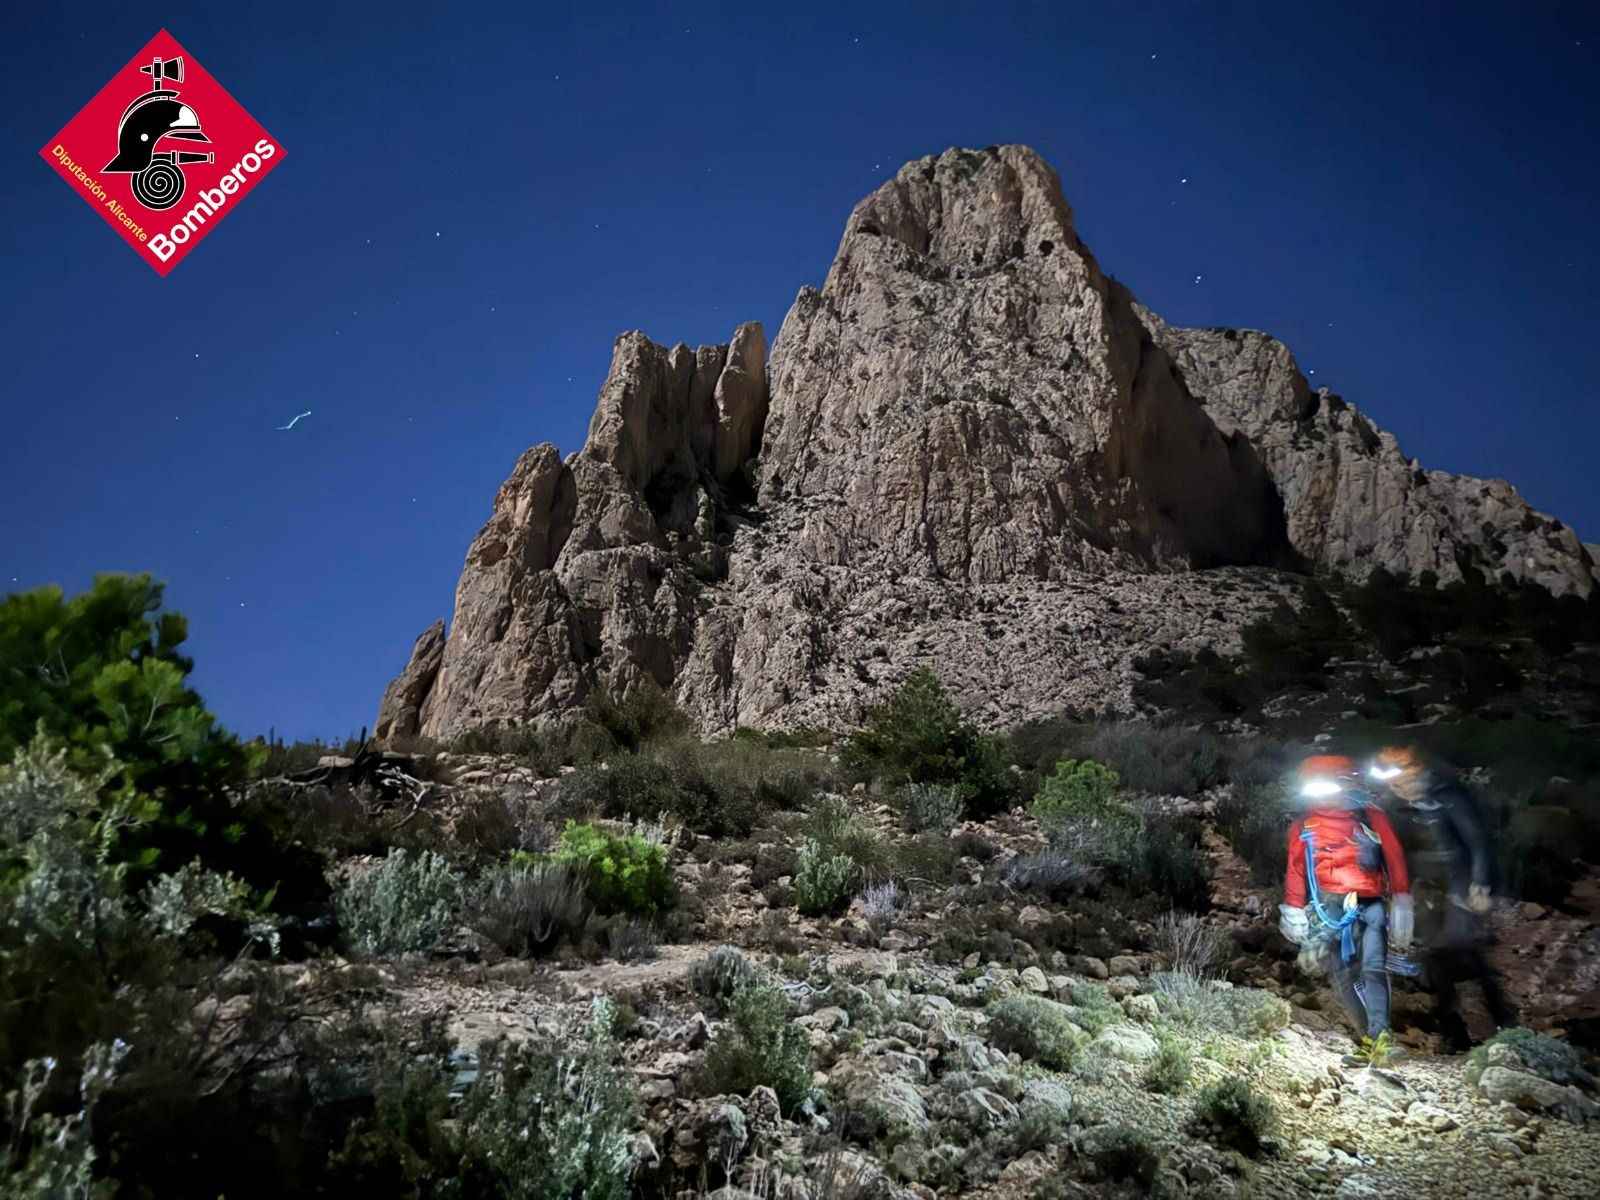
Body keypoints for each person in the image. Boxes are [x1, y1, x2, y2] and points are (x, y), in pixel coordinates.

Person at [1369, 746, 1516, 1051]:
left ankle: (1486, 1025)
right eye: (1394, 787)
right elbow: (1409, 849)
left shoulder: (1450, 795)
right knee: (1452, 955)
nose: (1399, 791)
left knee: (1452, 952)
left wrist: (1480, 884)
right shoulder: (1411, 804)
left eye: (1403, 782)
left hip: (1464, 884)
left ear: (1418, 772)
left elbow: (1477, 841)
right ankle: (1472, 1027)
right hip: (1439, 886)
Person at [1278, 755, 1413, 1060]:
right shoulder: (1304, 826)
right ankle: (1369, 1041)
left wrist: (1403, 898)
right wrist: (1293, 908)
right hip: (1330, 908)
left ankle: (1380, 1038)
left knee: (1373, 967)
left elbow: (1393, 856)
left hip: (1370, 903)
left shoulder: (1370, 817)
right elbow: (1297, 868)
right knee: (1344, 977)